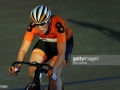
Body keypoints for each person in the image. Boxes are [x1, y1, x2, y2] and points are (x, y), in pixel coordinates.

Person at [9, 5, 74, 90]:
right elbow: (23, 49)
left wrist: (53, 70)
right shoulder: (32, 27)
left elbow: (61, 53)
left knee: (54, 75)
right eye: (37, 24)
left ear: (49, 20)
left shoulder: (58, 25)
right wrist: (18, 66)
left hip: (62, 44)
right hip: (46, 42)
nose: (40, 28)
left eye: (43, 23)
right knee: (33, 68)